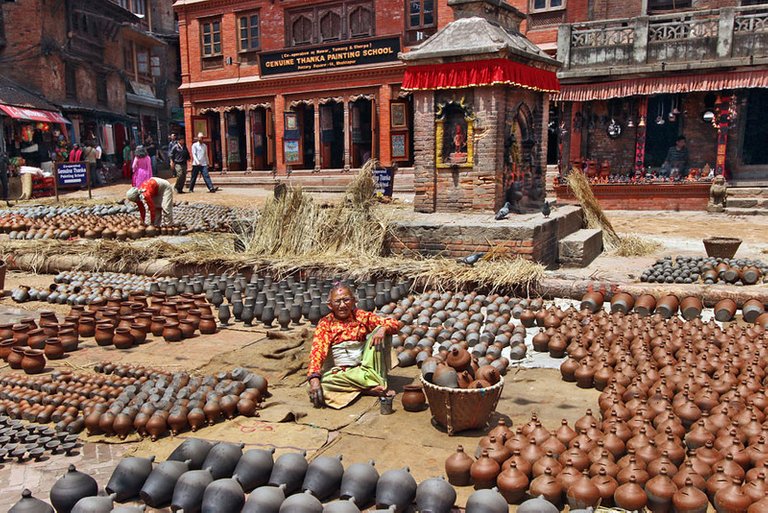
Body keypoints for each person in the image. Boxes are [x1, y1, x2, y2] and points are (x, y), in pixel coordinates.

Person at [307, 284, 401, 409]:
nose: (342, 305)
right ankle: (366, 388)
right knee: (318, 385)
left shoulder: (361, 316)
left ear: (354, 301)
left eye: (346, 300)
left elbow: (395, 323)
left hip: (366, 367)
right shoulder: (325, 324)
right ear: (330, 305)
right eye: (337, 301)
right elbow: (317, 352)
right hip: (341, 371)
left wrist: (383, 329)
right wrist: (314, 379)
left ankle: (363, 384)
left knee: (382, 330)